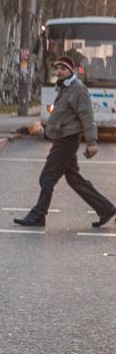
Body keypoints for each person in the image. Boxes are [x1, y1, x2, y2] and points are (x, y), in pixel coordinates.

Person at [14, 57, 116, 228]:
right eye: (57, 68)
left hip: (67, 140)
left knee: (47, 177)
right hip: (62, 138)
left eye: (62, 68)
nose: (59, 71)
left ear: (71, 70)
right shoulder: (65, 87)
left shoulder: (78, 89)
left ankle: (39, 215)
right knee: (74, 180)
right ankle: (106, 209)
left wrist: (91, 142)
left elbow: (87, 116)